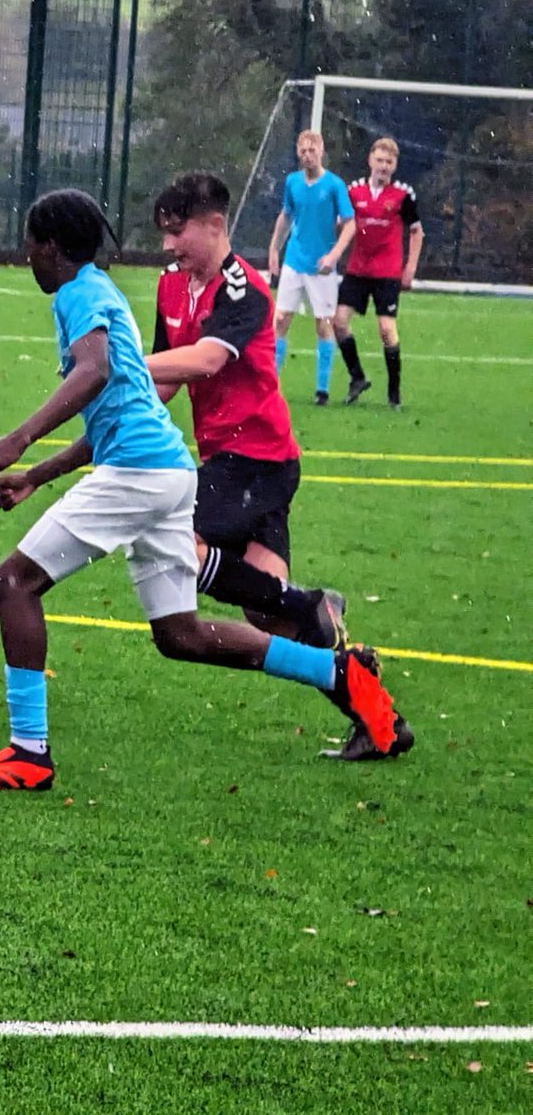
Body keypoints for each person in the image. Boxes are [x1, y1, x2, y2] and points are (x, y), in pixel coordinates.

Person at [0, 188, 401, 791]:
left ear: (52, 248)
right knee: (180, 636)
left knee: (13, 582)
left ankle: (28, 753)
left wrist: (18, 440)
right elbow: (118, 413)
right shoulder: (102, 294)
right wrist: (36, 476)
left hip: (141, 475)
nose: (27, 258)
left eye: (30, 247)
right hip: (165, 471)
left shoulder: (80, 294)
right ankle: (338, 673)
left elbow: (94, 373)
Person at [146, 171, 413, 763]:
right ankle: (382, 722)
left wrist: (122, 366)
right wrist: (109, 412)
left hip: (255, 459)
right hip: (239, 459)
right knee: (264, 607)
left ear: (215, 226)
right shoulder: (170, 287)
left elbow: (208, 360)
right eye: (163, 234)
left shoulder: (244, 291)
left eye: (178, 232)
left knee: (176, 547)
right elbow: (165, 379)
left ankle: (311, 604)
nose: (168, 246)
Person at [334, 137, 424, 409]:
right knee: (338, 322)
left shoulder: (402, 195)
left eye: (389, 162)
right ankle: (357, 377)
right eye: (380, 160)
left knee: (386, 329)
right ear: (370, 160)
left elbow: (416, 231)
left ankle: (393, 394)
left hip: (387, 272)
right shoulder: (354, 192)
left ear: (395, 166)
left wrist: (410, 267)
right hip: (358, 269)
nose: (383, 166)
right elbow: (343, 224)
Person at [268, 130, 355, 405]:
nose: (307, 155)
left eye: (312, 150)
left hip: (321, 267)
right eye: (302, 151)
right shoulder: (292, 182)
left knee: (323, 324)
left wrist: (333, 256)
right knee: (280, 320)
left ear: (321, 150)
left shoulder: (334, 185)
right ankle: (271, 387)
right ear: (298, 152)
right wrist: (273, 249)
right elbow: (286, 215)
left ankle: (322, 389)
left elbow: (350, 224)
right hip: (295, 259)